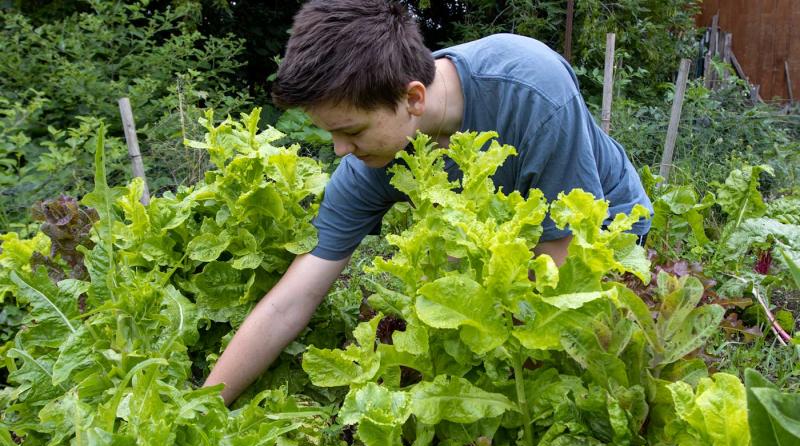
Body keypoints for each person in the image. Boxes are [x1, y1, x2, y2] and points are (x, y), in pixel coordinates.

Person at [203, 0, 653, 405]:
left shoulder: (531, 88)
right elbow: (293, 298)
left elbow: (559, 261)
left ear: (413, 97)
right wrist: (204, 405)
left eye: (352, 131)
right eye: (331, 133)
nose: (339, 149)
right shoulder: (373, 159)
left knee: (558, 375)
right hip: (501, 251)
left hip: (601, 237)